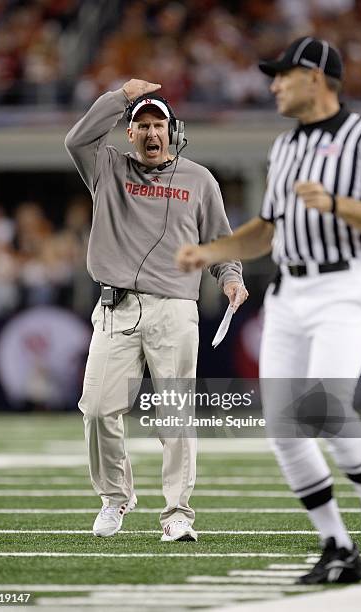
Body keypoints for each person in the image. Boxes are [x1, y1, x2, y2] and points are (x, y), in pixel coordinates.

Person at [177, 37, 361, 582]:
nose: (273, 85)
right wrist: (212, 251)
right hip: (291, 291)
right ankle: (337, 545)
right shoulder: (285, 147)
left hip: (347, 280)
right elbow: (266, 229)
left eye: (283, 75)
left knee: (323, 406)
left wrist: (336, 204)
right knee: (285, 425)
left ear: (314, 77)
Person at [65, 79, 247, 542]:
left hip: (174, 311)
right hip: (115, 309)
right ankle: (114, 498)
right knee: (98, 409)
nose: (151, 132)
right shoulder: (107, 168)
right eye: (141, 124)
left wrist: (230, 276)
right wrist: (120, 97)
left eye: (158, 123)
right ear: (128, 133)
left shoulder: (199, 179)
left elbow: (219, 241)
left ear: (173, 130)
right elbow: (76, 138)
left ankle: (177, 514)